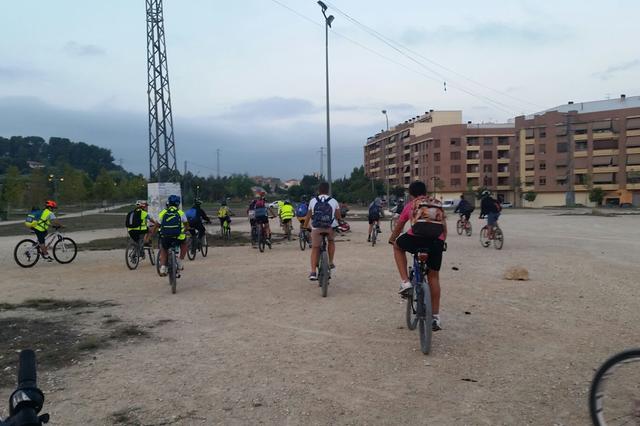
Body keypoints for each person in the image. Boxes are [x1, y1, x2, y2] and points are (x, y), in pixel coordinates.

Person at [389, 181, 447, 331]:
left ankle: (405, 282)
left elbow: (400, 226)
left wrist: (392, 239)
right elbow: (443, 228)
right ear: (425, 191)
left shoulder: (412, 204)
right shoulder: (436, 203)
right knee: (433, 276)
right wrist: (441, 243)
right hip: (436, 242)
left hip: (415, 239)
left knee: (397, 246)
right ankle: (435, 317)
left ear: (411, 193)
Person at [303, 182, 341, 280]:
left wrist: (304, 226)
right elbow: (338, 217)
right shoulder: (334, 201)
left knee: (315, 248)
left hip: (316, 228)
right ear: (328, 190)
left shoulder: (313, 201)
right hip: (329, 227)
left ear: (318, 190)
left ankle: (312, 272)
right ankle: (331, 262)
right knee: (331, 241)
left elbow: (308, 215)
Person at [158, 195, 189, 276]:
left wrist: (154, 233)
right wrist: (185, 231)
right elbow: (186, 226)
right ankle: (180, 261)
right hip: (178, 237)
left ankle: (163, 267)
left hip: (166, 237)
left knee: (164, 248)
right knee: (185, 243)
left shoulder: (163, 212)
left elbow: (157, 224)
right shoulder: (181, 213)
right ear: (178, 204)